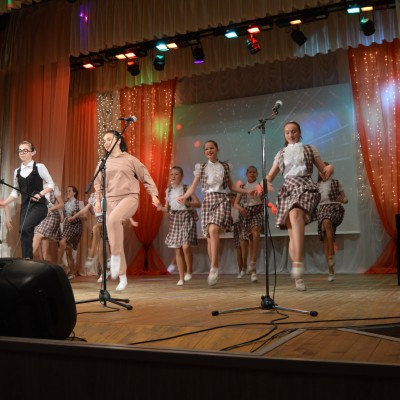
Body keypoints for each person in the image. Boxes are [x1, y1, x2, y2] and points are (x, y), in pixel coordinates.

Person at [266, 121, 334, 291]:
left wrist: (330, 168)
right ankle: (298, 278)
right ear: (284, 135)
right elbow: (269, 176)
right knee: (292, 232)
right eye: (287, 132)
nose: (291, 135)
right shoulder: (281, 153)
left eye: (294, 131)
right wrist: (265, 183)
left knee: (296, 213)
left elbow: (324, 171)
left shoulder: (309, 149)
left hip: (305, 187)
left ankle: (298, 262)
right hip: (288, 189)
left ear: (299, 132)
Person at [177, 140, 256, 286]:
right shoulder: (201, 167)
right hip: (208, 201)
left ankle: (214, 266)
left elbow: (232, 186)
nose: (209, 150)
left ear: (217, 149)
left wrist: (246, 191)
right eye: (206, 149)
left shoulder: (225, 166)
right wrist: (184, 196)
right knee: (209, 236)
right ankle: (214, 266)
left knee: (213, 230)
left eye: (211, 148)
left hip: (221, 199)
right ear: (204, 152)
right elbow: (193, 187)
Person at [94, 130, 161, 291]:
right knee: (114, 237)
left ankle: (115, 258)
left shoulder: (130, 160)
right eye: (104, 140)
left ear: (118, 140)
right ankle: (122, 277)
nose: (106, 142)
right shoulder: (103, 162)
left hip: (129, 198)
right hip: (110, 200)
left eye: (109, 139)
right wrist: (97, 200)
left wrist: (154, 195)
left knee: (113, 220)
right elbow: (98, 184)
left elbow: (146, 177)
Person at [0, 140, 55, 259]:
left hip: (39, 206)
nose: (22, 153)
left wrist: (40, 194)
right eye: (20, 151)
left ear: (33, 152)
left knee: (25, 228)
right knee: (23, 231)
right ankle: (27, 259)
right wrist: (4, 202)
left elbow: (51, 184)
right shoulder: (17, 171)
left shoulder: (39, 167)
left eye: (25, 150)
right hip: (25, 207)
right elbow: (15, 192)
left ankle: (28, 259)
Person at [158, 166, 200, 286]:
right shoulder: (169, 191)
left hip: (187, 217)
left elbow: (198, 204)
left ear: (182, 176)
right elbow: (168, 208)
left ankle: (189, 270)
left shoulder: (187, 188)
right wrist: (161, 208)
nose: (173, 176)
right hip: (175, 218)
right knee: (177, 248)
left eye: (176, 174)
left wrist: (188, 203)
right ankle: (181, 278)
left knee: (186, 246)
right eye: (171, 174)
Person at [317, 162, 348, 281]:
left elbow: (345, 199)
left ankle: (331, 253)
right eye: (321, 171)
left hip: (335, 208)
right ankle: (331, 271)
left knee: (326, 221)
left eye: (325, 171)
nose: (323, 173)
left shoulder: (337, 182)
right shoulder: (317, 185)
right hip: (322, 209)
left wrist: (343, 199)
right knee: (326, 237)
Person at [234, 166, 264, 283]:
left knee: (256, 233)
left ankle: (253, 261)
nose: (252, 174)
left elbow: (264, 200)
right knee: (250, 240)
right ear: (246, 174)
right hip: (246, 213)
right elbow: (236, 203)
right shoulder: (242, 187)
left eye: (254, 172)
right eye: (250, 172)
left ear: (257, 174)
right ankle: (253, 271)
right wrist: (240, 208)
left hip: (257, 211)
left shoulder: (260, 185)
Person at [58, 185, 86, 279]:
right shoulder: (65, 204)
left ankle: (59, 263)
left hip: (76, 226)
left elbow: (85, 217)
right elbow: (62, 218)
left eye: (69, 191)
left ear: (74, 193)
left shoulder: (79, 203)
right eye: (66, 191)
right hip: (67, 226)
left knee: (63, 242)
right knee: (68, 249)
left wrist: (76, 215)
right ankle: (72, 272)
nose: (67, 193)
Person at [32, 184, 64, 262]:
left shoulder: (54, 187)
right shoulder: (37, 186)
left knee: (37, 235)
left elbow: (61, 204)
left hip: (52, 215)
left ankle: (26, 258)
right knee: (44, 245)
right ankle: (47, 267)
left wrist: (51, 209)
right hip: (41, 215)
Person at [228, 192, 248, 279]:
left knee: (243, 243)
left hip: (243, 224)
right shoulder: (229, 208)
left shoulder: (240, 205)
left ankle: (244, 267)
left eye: (232, 197)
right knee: (238, 248)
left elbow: (246, 215)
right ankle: (240, 270)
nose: (230, 199)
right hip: (236, 226)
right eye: (229, 198)